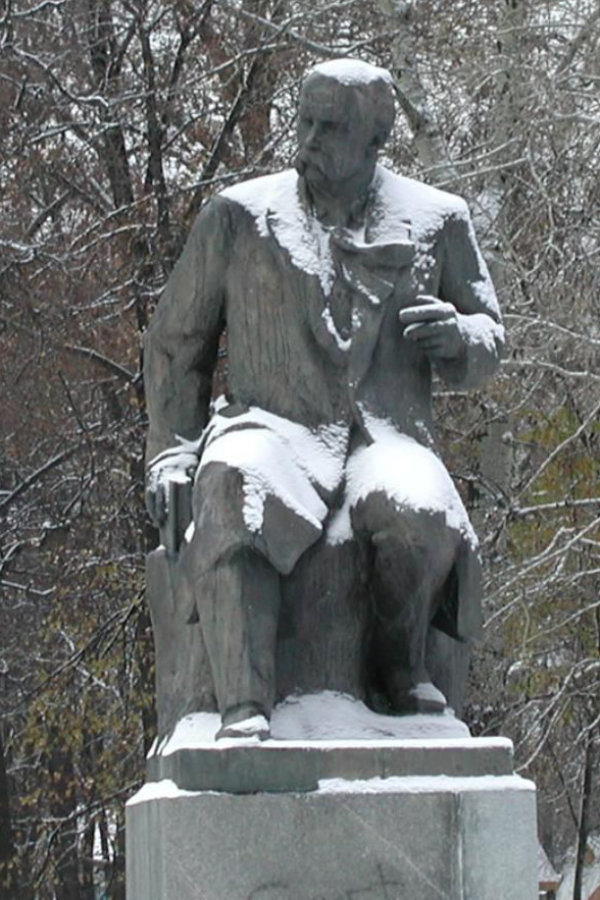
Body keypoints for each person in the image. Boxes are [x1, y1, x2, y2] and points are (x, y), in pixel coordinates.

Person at [144, 58, 504, 740]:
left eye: (328, 126)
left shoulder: (437, 220)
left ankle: (401, 678)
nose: (307, 138)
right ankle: (244, 707)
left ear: (375, 141)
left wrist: (458, 337)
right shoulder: (239, 217)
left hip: (384, 437)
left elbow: (490, 337)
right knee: (233, 485)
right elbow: (173, 346)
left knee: (417, 508)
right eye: (303, 120)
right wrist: (171, 453)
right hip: (272, 426)